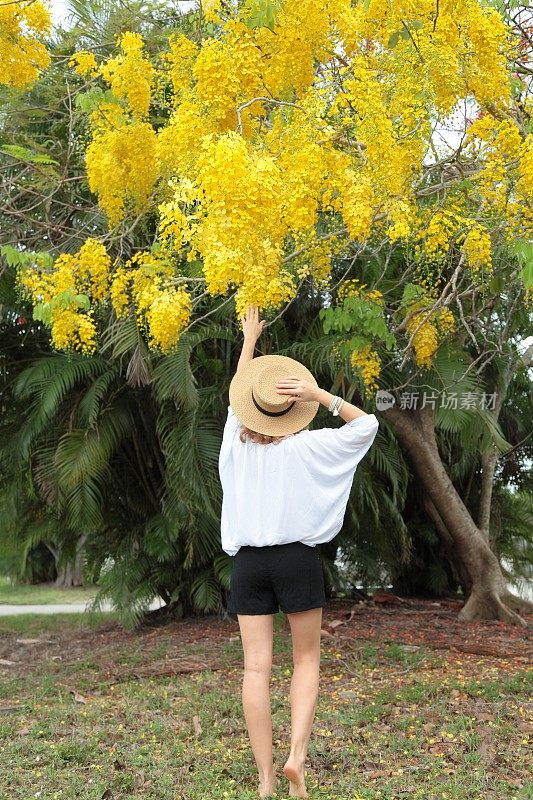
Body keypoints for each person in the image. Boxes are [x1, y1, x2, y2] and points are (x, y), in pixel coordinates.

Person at [218, 305, 379, 799]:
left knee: (255, 669)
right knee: (306, 660)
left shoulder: (233, 445)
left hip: (248, 565)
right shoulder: (306, 447)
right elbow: (366, 426)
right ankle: (296, 760)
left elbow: (235, 399)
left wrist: (248, 342)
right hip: (296, 561)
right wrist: (322, 396)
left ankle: (265, 777)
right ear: (294, 410)